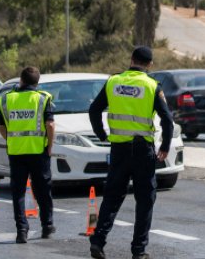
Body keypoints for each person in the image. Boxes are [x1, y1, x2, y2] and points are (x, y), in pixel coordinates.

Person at [88, 46, 174, 259]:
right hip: (143, 150)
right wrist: (164, 146)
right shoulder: (151, 85)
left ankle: (98, 241)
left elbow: (94, 109)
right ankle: (138, 250)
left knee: (112, 196)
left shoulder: (113, 82)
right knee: (145, 200)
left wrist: (101, 135)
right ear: (150, 64)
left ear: (131, 59)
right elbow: (167, 120)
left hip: (119, 149)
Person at [0, 66, 56, 244]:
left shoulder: (7, 99)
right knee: (43, 189)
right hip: (38, 151)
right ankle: (47, 226)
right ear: (37, 82)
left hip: (16, 152)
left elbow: (0, 125)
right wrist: (50, 147)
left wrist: (11, 139)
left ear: (21, 80)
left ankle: (21, 230)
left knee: (18, 192)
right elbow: (50, 125)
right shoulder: (43, 98)